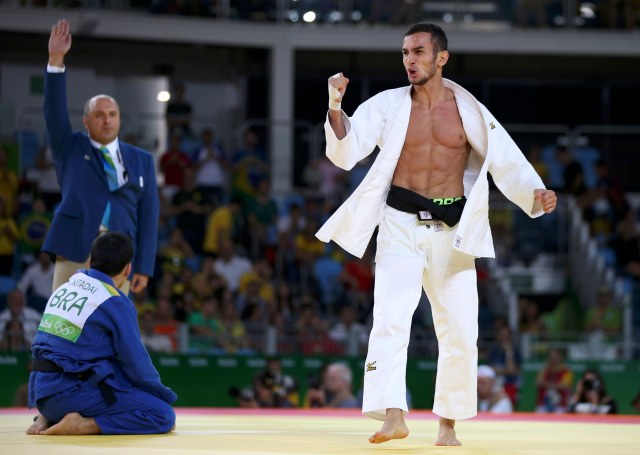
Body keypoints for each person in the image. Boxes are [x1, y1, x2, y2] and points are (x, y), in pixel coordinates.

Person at [316, 22, 557, 446]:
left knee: (460, 328)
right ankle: (394, 415)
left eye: (419, 52)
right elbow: (347, 151)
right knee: (391, 318)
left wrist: (534, 193)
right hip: (400, 224)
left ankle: (447, 423)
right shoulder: (387, 105)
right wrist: (336, 105)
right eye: (406, 53)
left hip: (453, 229)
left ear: (441, 57)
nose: (410, 60)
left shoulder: (470, 111)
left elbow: (506, 157)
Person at [43, 19, 159, 295]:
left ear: (119, 119)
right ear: (85, 121)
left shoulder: (142, 160)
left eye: (112, 114)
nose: (107, 120)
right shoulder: (69, 148)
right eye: (99, 114)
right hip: (75, 247)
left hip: (120, 256)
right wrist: (56, 60)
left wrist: (144, 265)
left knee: (110, 329)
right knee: (65, 325)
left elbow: (149, 216)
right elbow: (54, 113)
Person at [26, 232, 177, 435]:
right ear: (127, 269)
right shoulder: (113, 300)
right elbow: (137, 365)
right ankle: (83, 425)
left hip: (40, 393)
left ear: (90, 260)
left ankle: (50, 415)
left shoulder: (66, 287)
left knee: (105, 362)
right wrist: (162, 395)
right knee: (163, 415)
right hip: (68, 393)